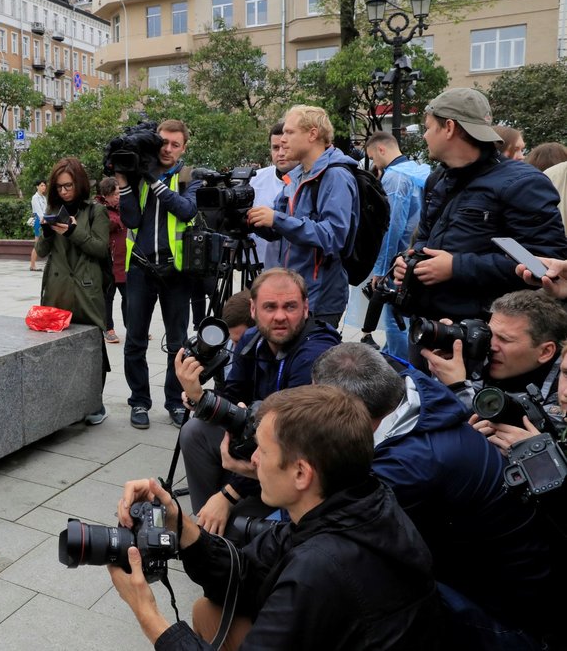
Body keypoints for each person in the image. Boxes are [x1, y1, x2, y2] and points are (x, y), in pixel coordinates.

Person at [109, 385, 438, 651]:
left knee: (206, 618)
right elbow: (248, 570)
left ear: (300, 473)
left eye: (262, 452)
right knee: (208, 612)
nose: (251, 460)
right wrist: (181, 526)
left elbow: (301, 580)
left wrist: (147, 612)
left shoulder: (321, 569)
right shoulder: (360, 500)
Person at [313, 343, 559, 649]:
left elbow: (321, 528)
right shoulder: (417, 392)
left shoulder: (409, 465)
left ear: (344, 411)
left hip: (507, 617)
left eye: (316, 405)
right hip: (495, 578)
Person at [393, 88, 567, 364]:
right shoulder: (438, 180)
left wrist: (456, 267)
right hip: (430, 328)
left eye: (427, 127)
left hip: (485, 339)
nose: (424, 136)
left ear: (449, 127)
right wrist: (408, 261)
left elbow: (544, 263)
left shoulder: (522, 183)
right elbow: (424, 238)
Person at [175, 268, 341, 532]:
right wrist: (198, 397)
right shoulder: (252, 338)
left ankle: (233, 521)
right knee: (195, 431)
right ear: (253, 310)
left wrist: (228, 495)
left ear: (306, 308)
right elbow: (232, 395)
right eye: (269, 307)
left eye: (290, 306)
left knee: (236, 517)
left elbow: (291, 438)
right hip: (258, 440)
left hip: (297, 457)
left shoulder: (315, 353)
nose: (279, 316)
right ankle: (209, 527)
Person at [117, 119, 201, 430]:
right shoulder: (140, 173)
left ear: (183, 148)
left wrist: (154, 181)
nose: (167, 149)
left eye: (174, 144)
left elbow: (186, 210)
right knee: (134, 340)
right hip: (140, 267)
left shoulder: (191, 176)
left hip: (177, 272)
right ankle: (139, 401)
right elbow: (131, 219)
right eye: (163, 142)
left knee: (178, 343)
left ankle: (174, 402)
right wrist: (126, 182)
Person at [247, 105, 360, 327]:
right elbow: (276, 230)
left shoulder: (335, 176)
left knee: (313, 361)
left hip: (320, 299)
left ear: (312, 134)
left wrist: (276, 219)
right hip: (293, 294)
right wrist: (252, 220)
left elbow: (334, 236)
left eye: (289, 132)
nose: (283, 139)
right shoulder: (296, 176)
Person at [36, 158, 110, 425]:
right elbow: (42, 252)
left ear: (79, 184)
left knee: (92, 349)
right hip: (58, 290)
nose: (64, 191)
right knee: (58, 350)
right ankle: (63, 403)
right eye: (59, 187)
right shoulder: (53, 208)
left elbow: (101, 249)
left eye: (68, 186)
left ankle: (94, 404)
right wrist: (45, 231)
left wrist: (73, 232)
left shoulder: (95, 211)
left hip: (87, 289)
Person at [346, 131, 430, 358]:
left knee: (395, 320)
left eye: (373, 157)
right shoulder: (420, 170)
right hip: (422, 256)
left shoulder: (395, 177)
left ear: (381, 149)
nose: (374, 163)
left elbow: (391, 227)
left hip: (400, 261)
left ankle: (400, 367)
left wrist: (382, 270)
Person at [421, 289, 567, 414]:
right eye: (490, 334)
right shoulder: (482, 355)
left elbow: (502, 439)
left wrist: (459, 388)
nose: (491, 346)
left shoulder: (562, 386)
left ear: (545, 352)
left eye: (504, 340)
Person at [251, 121, 296, 269]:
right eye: (275, 148)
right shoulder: (255, 178)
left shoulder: (309, 181)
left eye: (285, 147)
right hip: (258, 267)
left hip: (294, 271)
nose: (281, 153)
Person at [96, 177, 126, 344]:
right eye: (114, 194)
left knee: (129, 297)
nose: (118, 197)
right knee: (108, 297)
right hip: (108, 261)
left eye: (119, 193)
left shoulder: (124, 206)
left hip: (125, 261)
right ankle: (108, 328)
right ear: (105, 195)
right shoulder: (99, 209)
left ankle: (133, 326)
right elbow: (106, 225)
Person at [30, 180, 47, 271]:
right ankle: (32, 265)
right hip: (39, 221)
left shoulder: (44, 198)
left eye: (44, 185)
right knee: (37, 243)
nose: (43, 187)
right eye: (41, 185)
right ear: (37, 187)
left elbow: (46, 210)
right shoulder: (35, 198)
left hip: (45, 221)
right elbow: (38, 211)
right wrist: (43, 220)